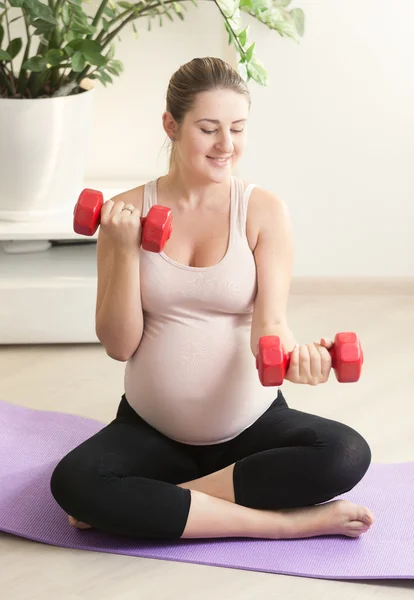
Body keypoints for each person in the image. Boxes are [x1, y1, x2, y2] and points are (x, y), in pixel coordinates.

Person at [50, 57, 374, 541]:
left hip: (251, 429)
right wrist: (121, 250)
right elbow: (120, 345)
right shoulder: (122, 215)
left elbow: (271, 326)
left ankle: (164, 499)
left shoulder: (263, 210)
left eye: (238, 129)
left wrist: (298, 359)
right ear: (171, 125)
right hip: (151, 431)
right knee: (72, 482)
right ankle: (284, 526)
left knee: (346, 452)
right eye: (209, 128)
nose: (226, 145)